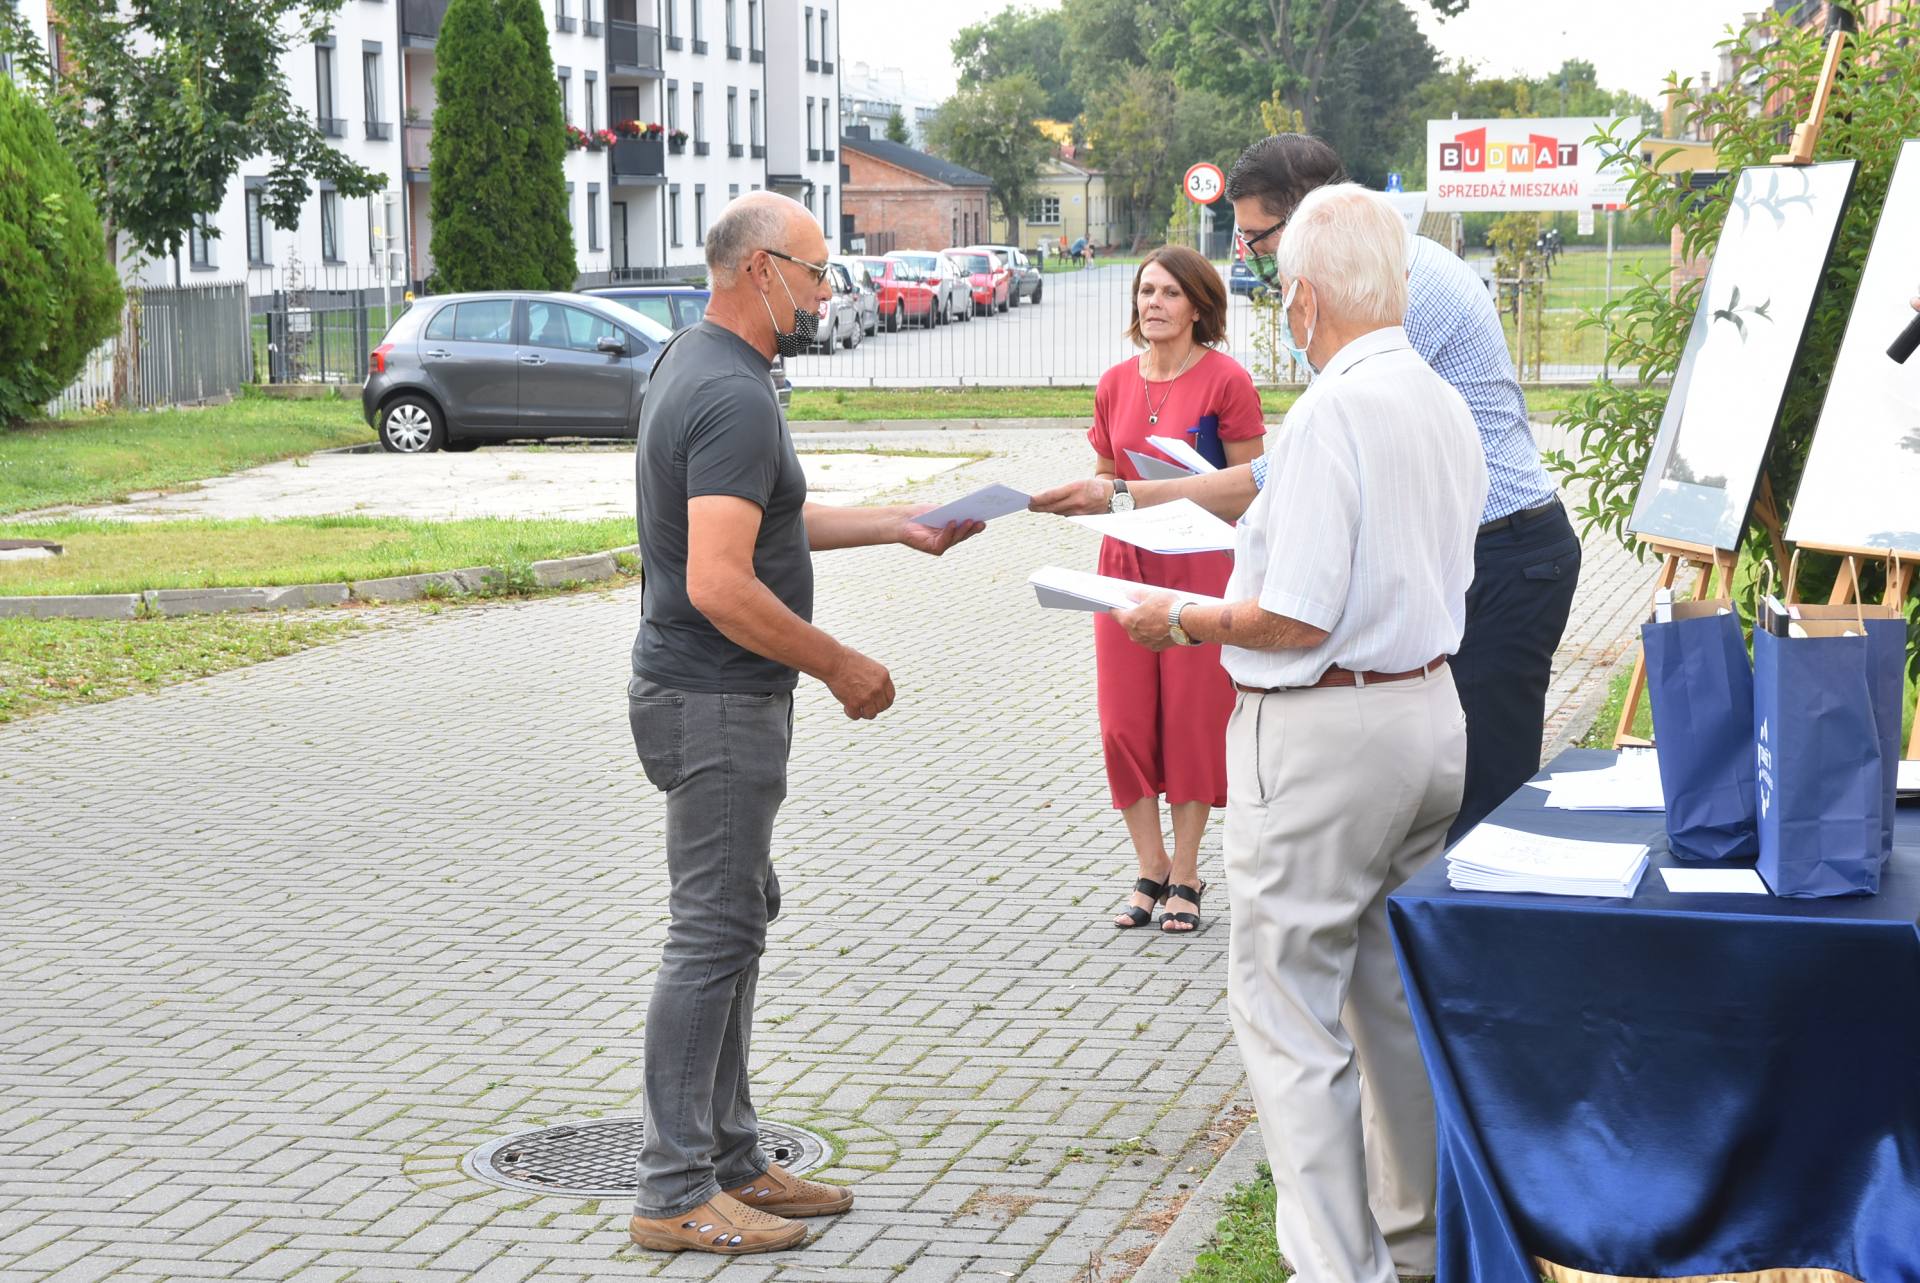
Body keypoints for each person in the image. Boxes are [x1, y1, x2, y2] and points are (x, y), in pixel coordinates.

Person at [1110, 183, 1486, 1283]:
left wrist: (1181, 616)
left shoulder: (1333, 408)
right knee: (1387, 1003)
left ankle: (1337, 1264)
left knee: (1288, 1010)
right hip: (1426, 707)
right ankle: (1414, 1242)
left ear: (1306, 296)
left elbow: (1297, 612)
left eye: (1277, 283)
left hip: (1324, 728)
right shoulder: (1437, 395)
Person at [1036, 134, 1581, 842]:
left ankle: (1483, 947)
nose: (1259, 263)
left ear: (1308, 221)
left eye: (1259, 240)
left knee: (1484, 812)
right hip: (1470, 548)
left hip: (1507, 553)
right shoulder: (1381, 278)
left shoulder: (1395, 295)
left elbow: (1291, 474)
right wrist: (1120, 496)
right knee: (1441, 805)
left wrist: (1133, 512)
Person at [624, 192, 981, 1257]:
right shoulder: (729, 393)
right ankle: (673, 1185)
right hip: (717, 696)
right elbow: (720, 581)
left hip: (712, 694)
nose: (831, 291)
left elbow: (767, 517)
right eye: (818, 271)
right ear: (758, 269)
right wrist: (840, 664)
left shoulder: (704, 367)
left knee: (735, 919)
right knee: (713, 933)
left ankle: (731, 1158)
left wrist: (898, 526)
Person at [1088, 246, 1265, 935]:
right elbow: (1107, 483)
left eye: (1167, 293)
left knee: (1191, 719)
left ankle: (1188, 871)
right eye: (1144, 291)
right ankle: (1149, 864)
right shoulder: (1112, 383)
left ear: (1198, 304)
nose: (1152, 303)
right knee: (1123, 721)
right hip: (1125, 564)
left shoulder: (1227, 381)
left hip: (1199, 563)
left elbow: (1255, 487)